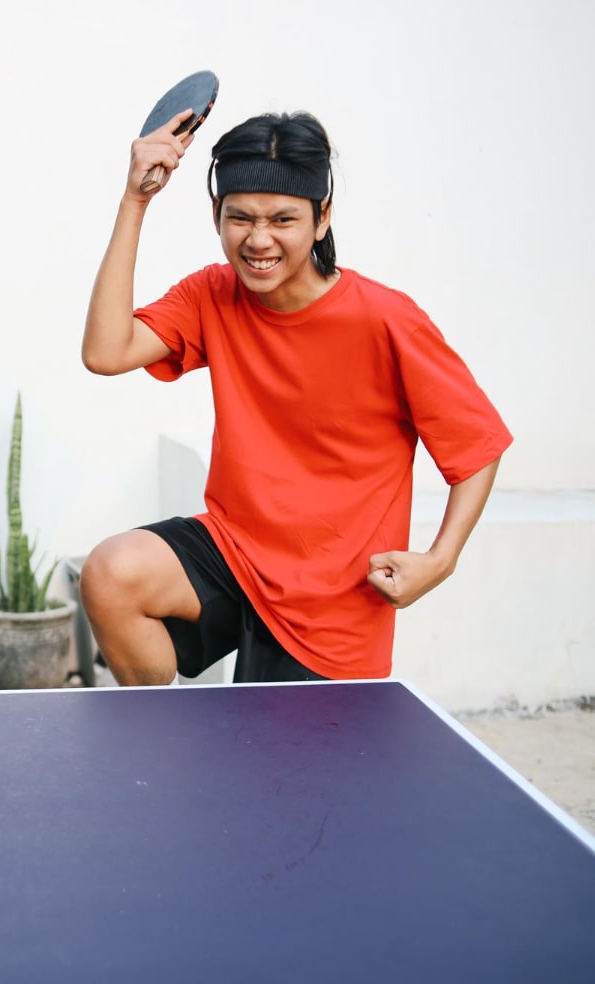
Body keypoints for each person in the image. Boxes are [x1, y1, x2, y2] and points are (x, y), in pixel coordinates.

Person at [78, 110, 512, 685]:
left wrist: (439, 560)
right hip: (236, 553)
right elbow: (106, 352)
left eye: (283, 219)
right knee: (111, 574)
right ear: (216, 214)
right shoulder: (213, 294)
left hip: (334, 598)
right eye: (240, 218)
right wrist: (136, 201)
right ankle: (163, 736)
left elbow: (478, 447)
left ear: (321, 217)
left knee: (275, 746)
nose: (258, 240)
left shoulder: (386, 319)